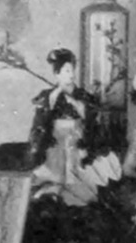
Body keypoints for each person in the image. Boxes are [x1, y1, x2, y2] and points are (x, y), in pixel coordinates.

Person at [25, 49, 110, 205]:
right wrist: (52, 99)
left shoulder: (83, 95)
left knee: (82, 187)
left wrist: (76, 104)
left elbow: (91, 120)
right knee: (50, 184)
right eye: (66, 71)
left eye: (72, 70)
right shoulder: (48, 95)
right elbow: (40, 123)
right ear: (57, 74)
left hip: (77, 143)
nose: (71, 74)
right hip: (55, 145)